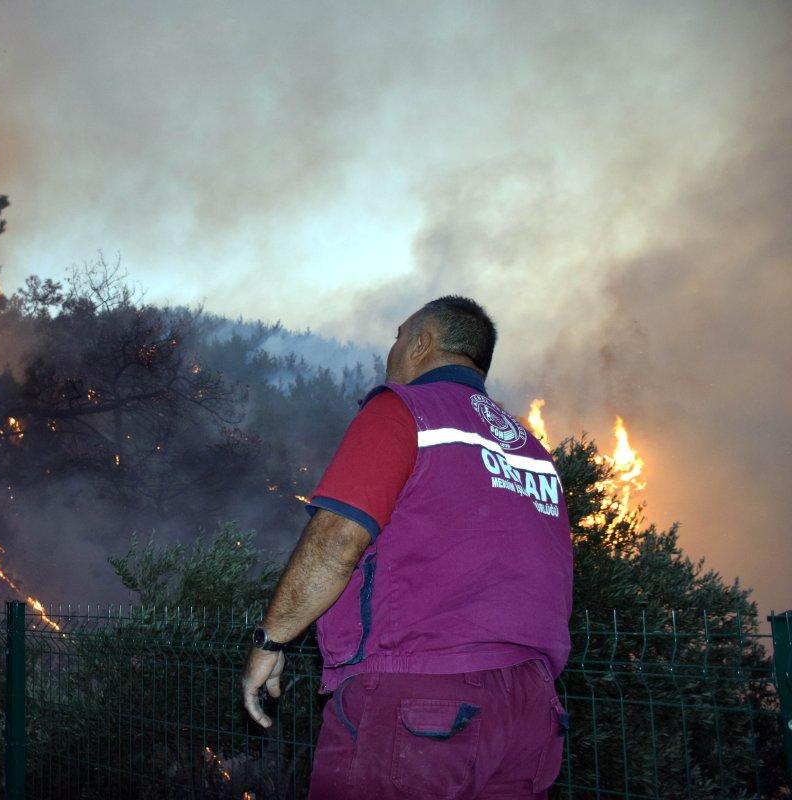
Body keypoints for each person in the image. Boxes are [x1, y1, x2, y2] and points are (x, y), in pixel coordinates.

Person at [241, 296, 573, 799]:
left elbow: (336, 540)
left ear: (421, 344)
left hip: (421, 700)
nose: (390, 353)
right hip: (530, 711)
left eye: (397, 337)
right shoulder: (531, 449)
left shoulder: (403, 410)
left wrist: (273, 639)